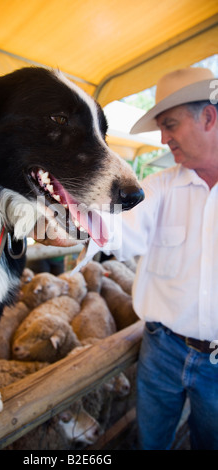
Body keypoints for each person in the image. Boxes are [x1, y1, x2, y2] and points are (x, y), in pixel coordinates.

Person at [117, 67, 218, 450]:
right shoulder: (156, 189)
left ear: (208, 117)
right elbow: (117, 230)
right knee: (151, 443)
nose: (163, 139)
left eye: (170, 124)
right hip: (162, 349)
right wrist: (70, 226)